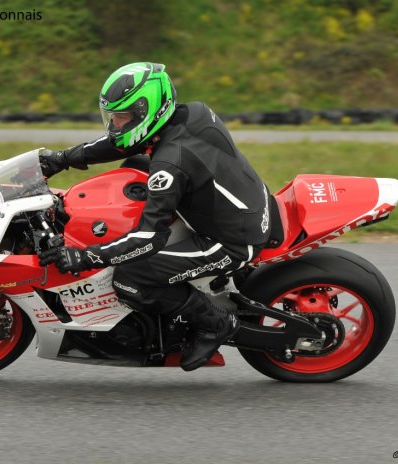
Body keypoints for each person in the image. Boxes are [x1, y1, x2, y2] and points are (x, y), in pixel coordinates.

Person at [38, 62, 272, 371]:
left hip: (232, 240)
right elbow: (126, 142)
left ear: (147, 112)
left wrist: (85, 257)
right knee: (134, 165)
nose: (114, 125)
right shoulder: (192, 113)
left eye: (122, 117)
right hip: (244, 202)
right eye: (112, 116)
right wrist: (63, 158)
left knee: (131, 279)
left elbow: (149, 238)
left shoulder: (170, 165)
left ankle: (216, 323)